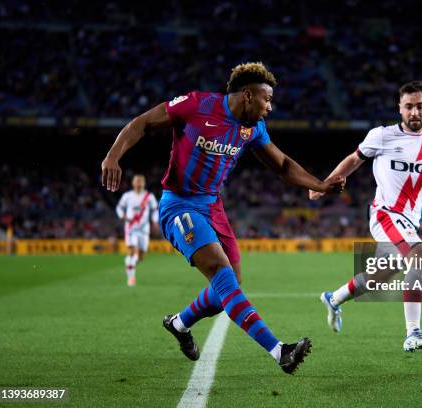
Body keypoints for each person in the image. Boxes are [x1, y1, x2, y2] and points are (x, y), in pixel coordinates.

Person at [101, 62, 345, 374]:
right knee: (221, 272)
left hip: (214, 208)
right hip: (180, 205)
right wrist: (112, 155)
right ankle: (279, 350)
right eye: (266, 99)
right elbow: (143, 123)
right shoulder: (197, 105)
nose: (270, 107)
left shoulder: (253, 128)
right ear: (247, 95)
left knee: (227, 288)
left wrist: (320, 185)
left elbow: (282, 165)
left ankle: (179, 323)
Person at [310, 81, 422, 351]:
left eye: (419, 106)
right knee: (418, 255)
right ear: (400, 108)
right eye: (409, 106)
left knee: (376, 279)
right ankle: (413, 332)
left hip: (409, 221)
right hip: (385, 213)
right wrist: (324, 184)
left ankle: (334, 298)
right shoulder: (382, 135)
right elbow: (354, 160)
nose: (414, 112)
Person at [116, 174, 159, 286]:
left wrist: (155, 220)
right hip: (131, 228)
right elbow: (119, 207)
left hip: (144, 229)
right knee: (132, 252)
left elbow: (155, 210)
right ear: (133, 183)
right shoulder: (127, 196)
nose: (139, 183)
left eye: (141, 181)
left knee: (140, 257)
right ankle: (131, 278)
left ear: (144, 184)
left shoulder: (149, 196)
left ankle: (130, 263)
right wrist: (122, 216)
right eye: (137, 181)